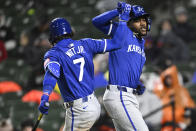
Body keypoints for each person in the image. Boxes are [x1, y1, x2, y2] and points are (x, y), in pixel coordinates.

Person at [38, 10, 128, 131]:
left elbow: (51, 74)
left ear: (52, 36)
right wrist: (122, 20)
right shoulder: (86, 43)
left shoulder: (54, 53)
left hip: (79, 110)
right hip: (94, 104)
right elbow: (117, 43)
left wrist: (45, 95)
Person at [92, 2, 151, 131]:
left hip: (127, 95)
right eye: (138, 20)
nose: (143, 23)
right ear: (130, 22)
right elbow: (96, 22)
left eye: (144, 20)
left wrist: (135, 83)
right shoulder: (121, 30)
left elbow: (126, 65)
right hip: (119, 95)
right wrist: (117, 12)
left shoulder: (141, 43)